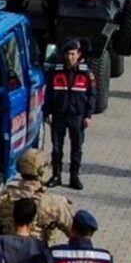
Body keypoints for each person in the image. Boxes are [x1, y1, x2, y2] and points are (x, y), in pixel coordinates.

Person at [0, 148, 75, 246]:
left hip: (5, 253)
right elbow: (75, 234)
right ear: (41, 171)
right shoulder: (55, 203)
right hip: (38, 256)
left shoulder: (1, 197)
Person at [45, 39, 96, 191]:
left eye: (73, 54)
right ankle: (56, 175)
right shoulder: (57, 71)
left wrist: (88, 115)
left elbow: (92, 94)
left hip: (77, 115)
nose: (70, 57)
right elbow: (48, 93)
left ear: (79, 54)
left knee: (76, 148)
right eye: (68, 54)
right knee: (56, 148)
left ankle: (74, 177)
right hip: (59, 114)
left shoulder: (86, 72)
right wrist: (47, 112)